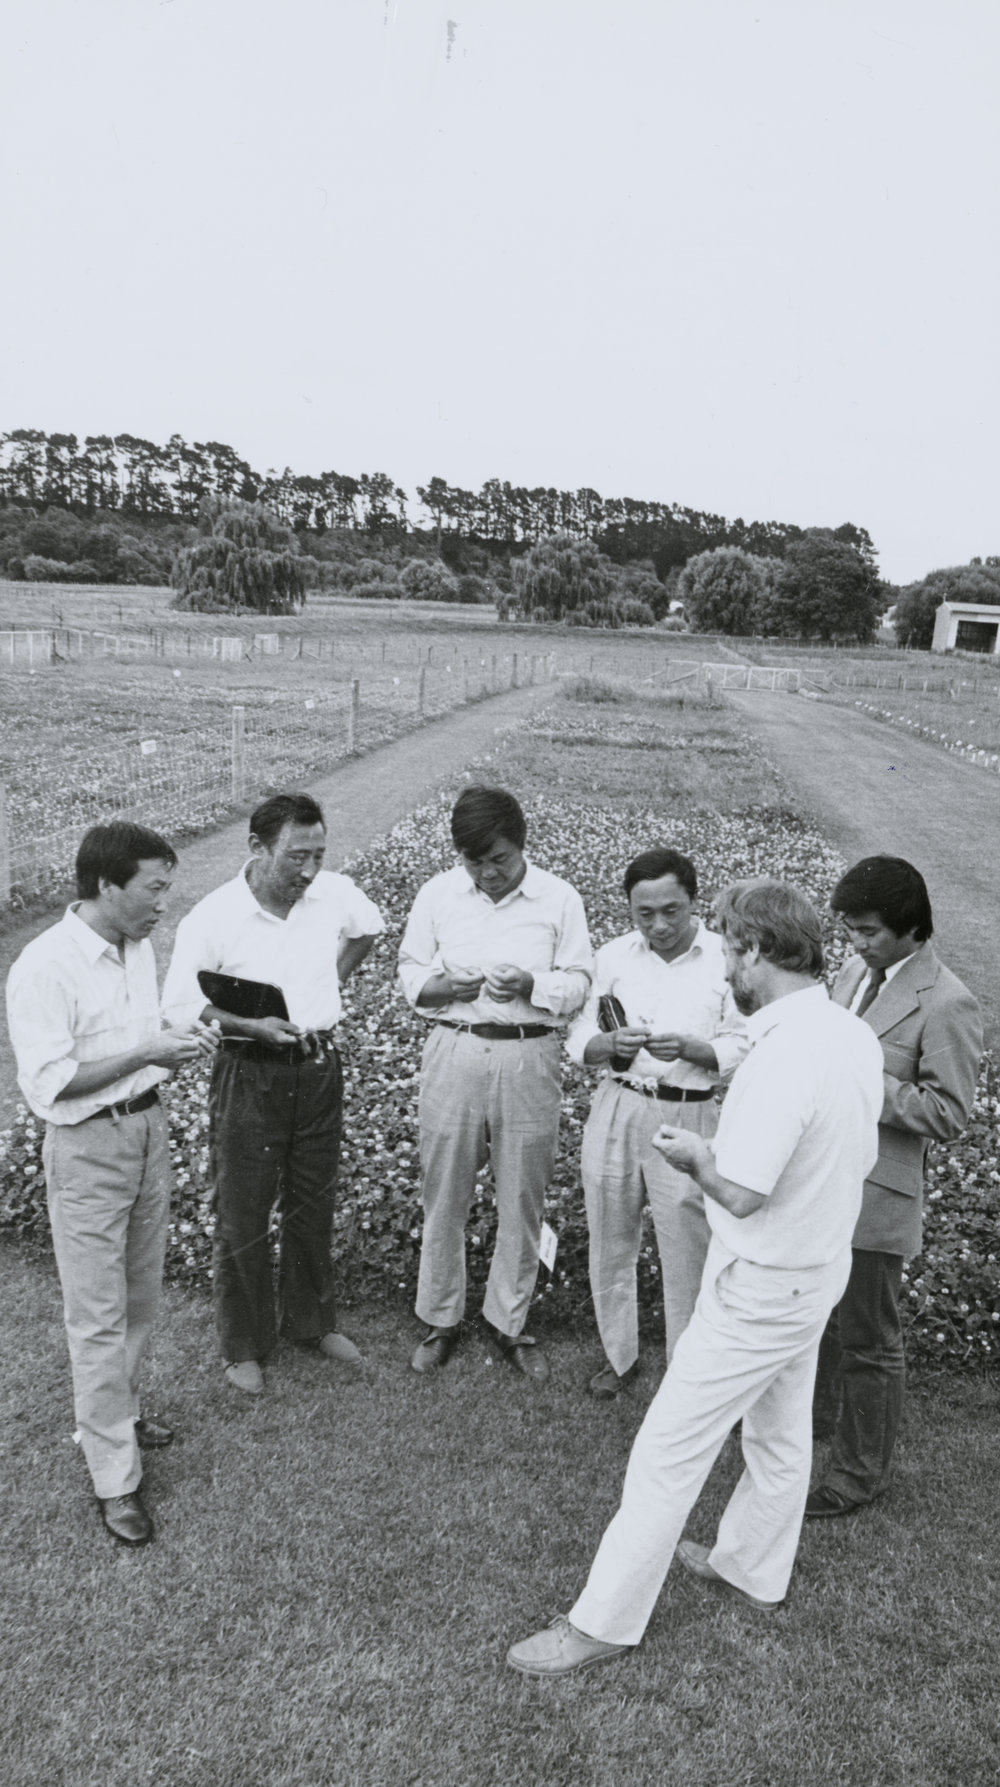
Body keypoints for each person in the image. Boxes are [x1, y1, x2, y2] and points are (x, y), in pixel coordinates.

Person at [507, 880, 884, 1677]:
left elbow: (743, 1188)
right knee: (779, 1432)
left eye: (730, 952)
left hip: (763, 1279)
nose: (724, 975)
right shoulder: (849, 1031)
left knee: (667, 1448)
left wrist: (695, 1157)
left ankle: (600, 1623)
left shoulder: (785, 1050)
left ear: (756, 951)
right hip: (816, 1269)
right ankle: (751, 1566)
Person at [5, 821, 217, 1548]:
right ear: (105, 885)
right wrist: (145, 1051)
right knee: (95, 1315)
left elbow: (137, 1045)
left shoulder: (136, 946)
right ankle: (113, 1478)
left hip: (144, 1131)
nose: (165, 902)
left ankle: (118, 1418)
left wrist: (172, 1049)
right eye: (154, 887)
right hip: (87, 1147)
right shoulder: (43, 966)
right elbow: (52, 1083)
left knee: (137, 1297)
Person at [161, 792, 384, 1395]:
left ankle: (312, 1324)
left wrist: (328, 983)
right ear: (257, 848)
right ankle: (245, 1343)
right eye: (295, 857)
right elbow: (180, 1005)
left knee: (314, 1199)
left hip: (317, 1068)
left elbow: (369, 928)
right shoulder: (212, 916)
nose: (309, 872)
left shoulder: (333, 893)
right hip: (248, 1072)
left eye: (318, 855)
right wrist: (249, 1025)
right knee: (243, 1207)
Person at [806, 856, 982, 1518]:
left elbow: (950, 1111)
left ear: (910, 928)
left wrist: (863, 1084)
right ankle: (818, 1426)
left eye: (869, 931)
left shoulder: (947, 1001)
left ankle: (858, 1474)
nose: (855, 945)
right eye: (850, 930)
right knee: (820, 1320)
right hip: (823, 1178)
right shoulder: (857, 973)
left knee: (869, 1339)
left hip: (878, 1194)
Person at [398, 785, 592, 1380]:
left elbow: (581, 980)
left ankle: (509, 1322)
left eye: (499, 860)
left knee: (522, 1195)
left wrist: (532, 985)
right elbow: (410, 971)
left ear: (522, 847)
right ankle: (440, 1317)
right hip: (454, 1049)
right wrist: (443, 989)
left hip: (528, 1055)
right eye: (472, 861)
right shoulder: (438, 893)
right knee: (445, 1190)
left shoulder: (559, 898)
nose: (486, 873)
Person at [567, 846, 748, 1398]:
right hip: (618, 1102)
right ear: (629, 909)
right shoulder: (614, 956)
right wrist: (603, 1044)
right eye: (644, 914)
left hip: (689, 1109)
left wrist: (699, 1048)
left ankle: (684, 1371)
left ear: (694, 901)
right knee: (610, 1233)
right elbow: (578, 1033)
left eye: (671, 910)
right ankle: (617, 1357)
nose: (659, 925)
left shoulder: (726, 957)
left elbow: (746, 1037)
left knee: (686, 1243)